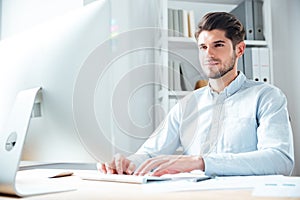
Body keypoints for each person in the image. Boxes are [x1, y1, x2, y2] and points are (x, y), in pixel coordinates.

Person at [99, 12, 294, 176]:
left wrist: (201, 162)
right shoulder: (187, 105)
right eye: (203, 47)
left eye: (218, 45)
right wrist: (127, 163)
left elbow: (280, 159)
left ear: (240, 49)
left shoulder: (267, 97)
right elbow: (150, 154)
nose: (208, 54)